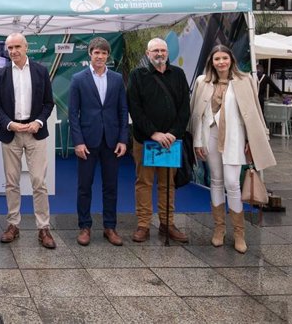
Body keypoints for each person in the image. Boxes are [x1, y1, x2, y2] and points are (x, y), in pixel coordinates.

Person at [190, 45, 276, 253]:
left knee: (232, 183)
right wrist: (197, 141)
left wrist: (251, 139)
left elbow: (253, 111)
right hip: (209, 136)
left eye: (224, 58)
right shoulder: (203, 81)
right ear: (212, 61)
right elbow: (196, 114)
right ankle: (219, 229)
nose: (221, 62)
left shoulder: (244, 80)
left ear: (231, 60)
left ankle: (239, 232)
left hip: (234, 137)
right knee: (216, 181)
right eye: (217, 58)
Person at [0, 33, 56, 249]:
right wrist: (9, 123)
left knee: (39, 181)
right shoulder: (0, 74)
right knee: (11, 182)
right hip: (11, 133)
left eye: (17, 46)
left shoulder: (40, 71)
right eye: (10, 48)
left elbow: (48, 103)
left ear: (26, 47)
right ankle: (13, 225)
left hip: (35, 132)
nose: (13, 51)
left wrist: (38, 121)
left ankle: (43, 228)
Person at [127, 38, 190, 243]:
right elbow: (135, 109)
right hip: (145, 140)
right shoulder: (138, 76)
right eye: (155, 50)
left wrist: (173, 133)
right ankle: (143, 225)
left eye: (163, 50)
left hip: (171, 142)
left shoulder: (178, 75)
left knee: (167, 183)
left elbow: (185, 108)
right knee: (144, 182)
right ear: (148, 53)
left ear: (168, 53)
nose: (160, 54)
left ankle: (167, 223)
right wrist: (153, 133)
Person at [69, 37, 128, 247]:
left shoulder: (117, 79)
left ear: (108, 56)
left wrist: (123, 139)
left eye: (104, 53)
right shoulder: (78, 79)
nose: (100, 56)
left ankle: (109, 227)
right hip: (87, 141)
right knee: (84, 186)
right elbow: (73, 114)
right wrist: (78, 142)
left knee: (111, 186)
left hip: (112, 142)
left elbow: (123, 111)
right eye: (96, 53)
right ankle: (84, 227)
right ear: (90, 54)